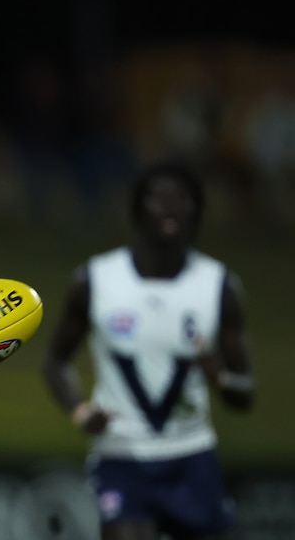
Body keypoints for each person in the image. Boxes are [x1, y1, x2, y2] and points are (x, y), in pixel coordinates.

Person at [43, 159, 255, 540]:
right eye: (159, 196)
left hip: (192, 454)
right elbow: (56, 362)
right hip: (123, 455)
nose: (170, 206)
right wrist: (80, 410)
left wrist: (220, 378)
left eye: (183, 198)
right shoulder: (97, 280)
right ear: (137, 208)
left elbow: (245, 392)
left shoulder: (219, 286)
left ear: (198, 211)